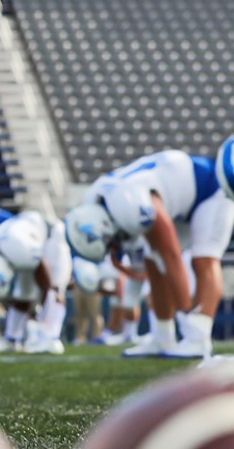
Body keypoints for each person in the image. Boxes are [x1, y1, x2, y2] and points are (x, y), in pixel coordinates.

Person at [66, 145, 234, 359]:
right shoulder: (99, 201)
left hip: (210, 190)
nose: (114, 246)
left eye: (110, 242)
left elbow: (170, 253)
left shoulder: (129, 204)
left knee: (203, 260)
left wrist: (185, 313)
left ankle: (198, 338)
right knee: (152, 261)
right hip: (179, 201)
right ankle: (163, 336)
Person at [0, 210, 71, 355]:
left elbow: (43, 274)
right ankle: (12, 339)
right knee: (23, 294)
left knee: (55, 287)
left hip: (50, 235)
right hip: (24, 243)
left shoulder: (18, 247)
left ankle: (51, 338)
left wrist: (42, 318)